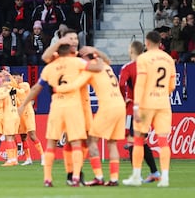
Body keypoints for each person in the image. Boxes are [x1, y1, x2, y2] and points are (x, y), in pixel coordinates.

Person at [18, 29, 102, 187]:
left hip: (56, 105)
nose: (74, 42)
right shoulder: (78, 62)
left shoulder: (50, 67)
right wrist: (96, 55)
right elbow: (98, 68)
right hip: (74, 106)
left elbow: (37, 87)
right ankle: (76, 177)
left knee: (51, 143)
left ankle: (47, 179)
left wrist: (23, 105)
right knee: (77, 143)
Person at [54, 48, 126, 187]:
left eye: (82, 58)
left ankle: (98, 177)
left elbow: (75, 85)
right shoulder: (106, 66)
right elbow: (107, 59)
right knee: (112, 143)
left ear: (87, 58)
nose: (81, 61)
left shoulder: (90, 69)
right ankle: (114, 179)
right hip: (120, 105)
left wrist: (57, 89)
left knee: (91, 141)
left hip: (108, 107)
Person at [122, 31, 176, 187]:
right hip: (163, 103)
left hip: (146, 104)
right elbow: (172, 85)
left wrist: (137, 106)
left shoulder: (143, 58)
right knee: (163, 141)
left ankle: (136, 176)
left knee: (138, 140)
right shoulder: (168, 58)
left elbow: (140, 84)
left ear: (147, 42)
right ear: (160, 42)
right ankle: (164, 177)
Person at [119, 41, 160, 183]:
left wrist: (125, 99)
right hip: (148, 107)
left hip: (133, 109)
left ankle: (136, 176)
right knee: (141, 140)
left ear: (131, 50)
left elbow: (122, 84)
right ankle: (155, 172)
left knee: (132, 141)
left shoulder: (128, 67)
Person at [12, 72, 44, 166]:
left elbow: (20, 91)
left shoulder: (25, 85)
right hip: (19, 114)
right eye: (14, 77)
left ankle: (43, 156)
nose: (16, 79)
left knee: (32, 135)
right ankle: (28, 158)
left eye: (17, 77)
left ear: (21, 77)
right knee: (23, 136)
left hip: (28, 113)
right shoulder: (13, 87)